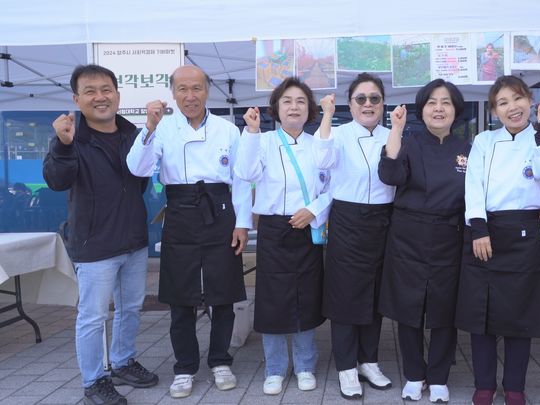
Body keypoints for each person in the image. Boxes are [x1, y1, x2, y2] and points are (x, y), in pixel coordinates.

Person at [126, 65, 253, 399]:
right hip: (180, 211)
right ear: (173, 93)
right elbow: (137, 168)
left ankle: (220, 360)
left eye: (196, 88)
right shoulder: (162, 128)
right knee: (180, 296)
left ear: (207, 90)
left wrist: (242, 224)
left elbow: (241, 180)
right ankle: (184, 367)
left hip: (221, 210)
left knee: (222, 293)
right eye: (182, 89)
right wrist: (149, 128)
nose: (190, 96)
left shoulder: (228, 130)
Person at [42, 64, 158, 405]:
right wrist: (62, 146)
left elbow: (141, 179)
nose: (100, 96)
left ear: (118, 95)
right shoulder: (70, 136)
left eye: (106, 89)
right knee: (93, 316)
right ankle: (94, 380)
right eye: (90, 91)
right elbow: (56, 180)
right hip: (94, 245)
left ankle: (122, 361)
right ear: (77, 99)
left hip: (134, 240)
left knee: (131, 307)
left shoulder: (133, 133)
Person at [455, 76, 540, 405]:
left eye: (517, 99)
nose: (511, 107)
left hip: (525, 233)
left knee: (521, 316)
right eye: (502, 102)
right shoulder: (485, 141)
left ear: (529, 101)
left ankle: (515, 386)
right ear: (494, 111)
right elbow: (472, 184)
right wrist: (479, 228)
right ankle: (485, 384)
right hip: (486, 232)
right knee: (482, 316)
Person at [378, 79, 471, 403]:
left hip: (450, 237)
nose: (439, 108)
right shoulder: (411, 143)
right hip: (408, 237)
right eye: (432, 102)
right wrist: (396, 129)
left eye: (445, 102)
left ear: (456, 109)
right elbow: (390, 175)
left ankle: (440, 377)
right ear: (423, 109)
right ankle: (415, 375)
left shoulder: (467, 149)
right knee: (409, 309)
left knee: (445, 310)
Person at [236, 77, 330, 396]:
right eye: (287, 100)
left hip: (307, 228)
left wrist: (315, 210)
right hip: (274, 229)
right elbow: (246, 173)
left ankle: (305, 364)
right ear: (275, 108)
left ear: (309, 110)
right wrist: (250, 132)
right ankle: (274, 368)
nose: (294, 106)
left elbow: (332, 186)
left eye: (301, 101)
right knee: (272, 300)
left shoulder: (319, 143)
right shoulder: (260, 140)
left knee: (306, 297)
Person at [313, 72, 394, 399]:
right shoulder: (337, 133)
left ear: (383, 103)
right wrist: (327, 116)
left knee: (376, 294)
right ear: (351, 103)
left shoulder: (393, 134)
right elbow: (320, 160)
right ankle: (347, 367)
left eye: (375, 98)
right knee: (346, 295)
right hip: (347, 218)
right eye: (361, 98)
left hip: (386, 220)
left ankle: (369, 361)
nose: (368, 104)